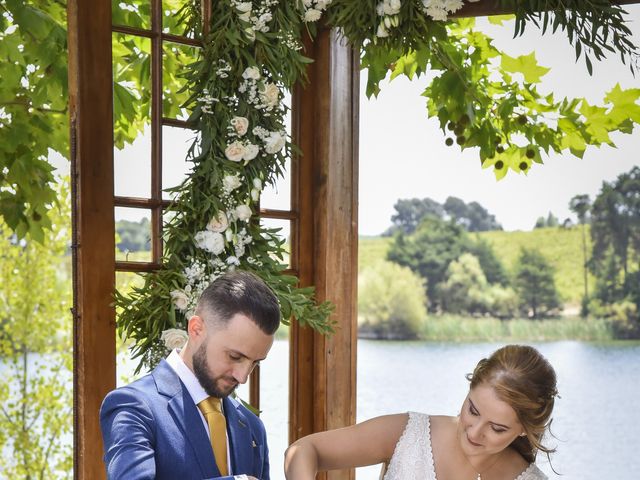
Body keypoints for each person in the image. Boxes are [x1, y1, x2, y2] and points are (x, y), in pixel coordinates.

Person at [101, 270, 281, 480]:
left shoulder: (252, 427)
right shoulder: (134, 406)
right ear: (196, 329)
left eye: (255, 363)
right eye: (234, 356)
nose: (243, 377)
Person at [285, 344, 557, 480]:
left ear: (524, 429)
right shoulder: (409, 434)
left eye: (497, 428)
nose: (475, 432)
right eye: (472, 410)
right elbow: (304, 449)